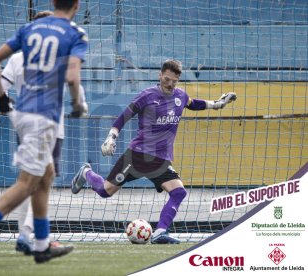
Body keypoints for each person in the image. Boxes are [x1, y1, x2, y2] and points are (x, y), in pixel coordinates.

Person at [0, 0, 88, 264]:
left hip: (23, 113)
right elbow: (73, 77)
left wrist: (0, 97)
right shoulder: (75, 34)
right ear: (76, 5)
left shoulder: (29, 29)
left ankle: (42, 246)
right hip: (44, 118)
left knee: (46, 175)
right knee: (27, 183)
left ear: (53, 3)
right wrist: (78, 104)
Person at [71, 60, 236, 244]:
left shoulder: (180, 96)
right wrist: (111, 137)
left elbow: (194, 103)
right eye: (167, 79)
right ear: (160, 75)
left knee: (179, 192)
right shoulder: (147, 96)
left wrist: (218, 104)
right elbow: (125, 116)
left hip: (161, 161)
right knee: (105, 191)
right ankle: (86, 172)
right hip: (137, 156)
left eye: (174, 80)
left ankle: (160, 232)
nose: (170, 83)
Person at [0, 10, 88, 255]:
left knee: (28, 181)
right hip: (50, 126)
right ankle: (29, 236)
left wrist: (13, 112)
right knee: (39, 182)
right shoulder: (57, 57)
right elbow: (75, 85)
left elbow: (2, 87)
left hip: (25, 123)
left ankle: (28, 237)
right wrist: (80, 104)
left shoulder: (17, 58)